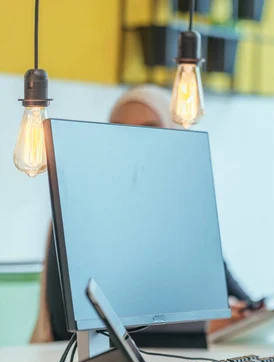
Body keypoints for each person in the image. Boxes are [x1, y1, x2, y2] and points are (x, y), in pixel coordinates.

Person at [31, 85, 262, 345]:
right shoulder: (79, 215)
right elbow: (73, 326)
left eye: (150, 130)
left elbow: (232, 291)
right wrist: (201, 327)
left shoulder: (184, 216)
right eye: (118, 131)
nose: (132, 141)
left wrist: (250, 313)